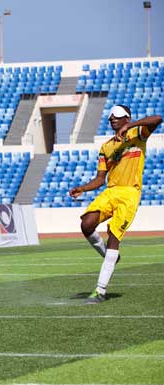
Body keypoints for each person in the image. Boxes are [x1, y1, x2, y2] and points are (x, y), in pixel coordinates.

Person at [69, 104, 162, 304]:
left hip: (129, 193)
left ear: (127, 119)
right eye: (111, 117)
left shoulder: (138, 133)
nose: (112, 119)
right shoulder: (106, 146)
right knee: (86, 223)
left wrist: (129, 127)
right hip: (111, 191)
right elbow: (100, 179)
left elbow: (157, 118)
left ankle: (100, 290)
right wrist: (83, 188)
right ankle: (110, 255)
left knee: (114, 236)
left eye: (117, 117)